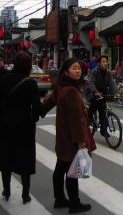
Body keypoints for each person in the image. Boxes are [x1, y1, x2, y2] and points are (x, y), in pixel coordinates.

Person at [0, 52, 43, 204]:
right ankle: (25, 194)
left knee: (6, 158)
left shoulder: (3, 80)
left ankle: (6, 190)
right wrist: (34, 117)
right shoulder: (30, 83)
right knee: (25, 160)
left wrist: (5, 114)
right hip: (25, 126)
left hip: (5, 124)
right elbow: (36, 107)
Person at [43, 58, 94, 213]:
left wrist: (37, 111)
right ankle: (74, 204)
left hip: (63, 136)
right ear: (66, 71)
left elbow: (49, 102)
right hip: (71, 138)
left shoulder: (62, 86)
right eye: (74, 68)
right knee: (73, 171)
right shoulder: (71, 91)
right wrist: (80, 142)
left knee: (60, 169)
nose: (78, 71)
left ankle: (59, 199)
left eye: (79, 68)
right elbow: (75, 120)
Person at [87, 55, 116, 137]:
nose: (105, 63)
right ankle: (89, 118)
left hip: (103, 93)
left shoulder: (108, 73)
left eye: (106, 61)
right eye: (103, 61)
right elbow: (90, 82)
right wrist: (95, 91)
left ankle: (104, 131)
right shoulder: (94, 71)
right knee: (95, 105)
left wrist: (115, 93)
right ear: (99, 63)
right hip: (93, 92)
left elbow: (112, 84)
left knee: (103, 112)